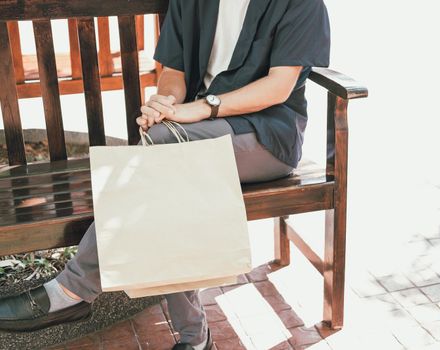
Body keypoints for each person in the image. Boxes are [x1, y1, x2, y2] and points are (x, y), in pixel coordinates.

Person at [0, 0, 330, 348]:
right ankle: (193, 337)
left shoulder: (300, 3)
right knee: (168, 172)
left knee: (165, 156)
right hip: (194, 133)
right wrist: (167, 105)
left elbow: (278, 87)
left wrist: (202, 109)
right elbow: (173, 73)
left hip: (266, 137)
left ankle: (73, 290)